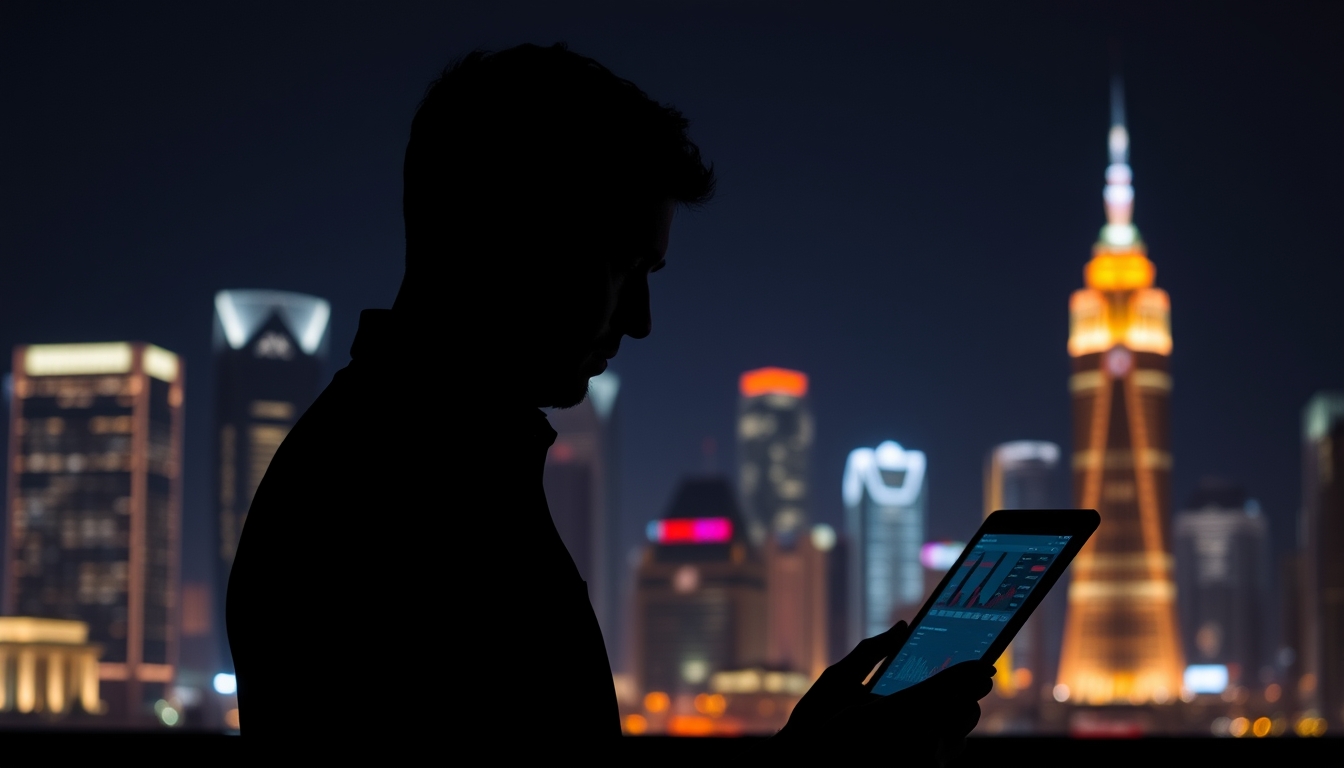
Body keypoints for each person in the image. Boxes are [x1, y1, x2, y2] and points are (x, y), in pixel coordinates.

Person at [227, 42, 992, 764]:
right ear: (512, 238)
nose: (642, 320)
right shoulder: (412, 498)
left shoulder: (393, 454)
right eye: (625, 266)